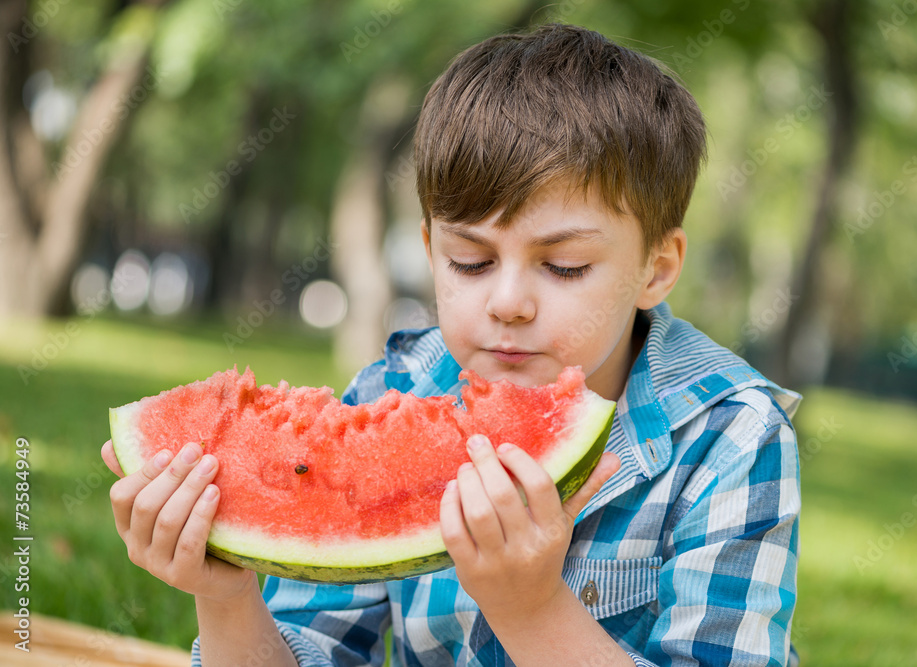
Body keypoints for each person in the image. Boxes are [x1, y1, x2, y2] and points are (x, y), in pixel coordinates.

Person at [103, 23, 802, 666]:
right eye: (471, 260)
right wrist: (226, 598)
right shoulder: (394, 388)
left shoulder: (732, 437)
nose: (507, 302)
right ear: (431, 248)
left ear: (656, 266)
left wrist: (528, 608)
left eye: (563, 266)